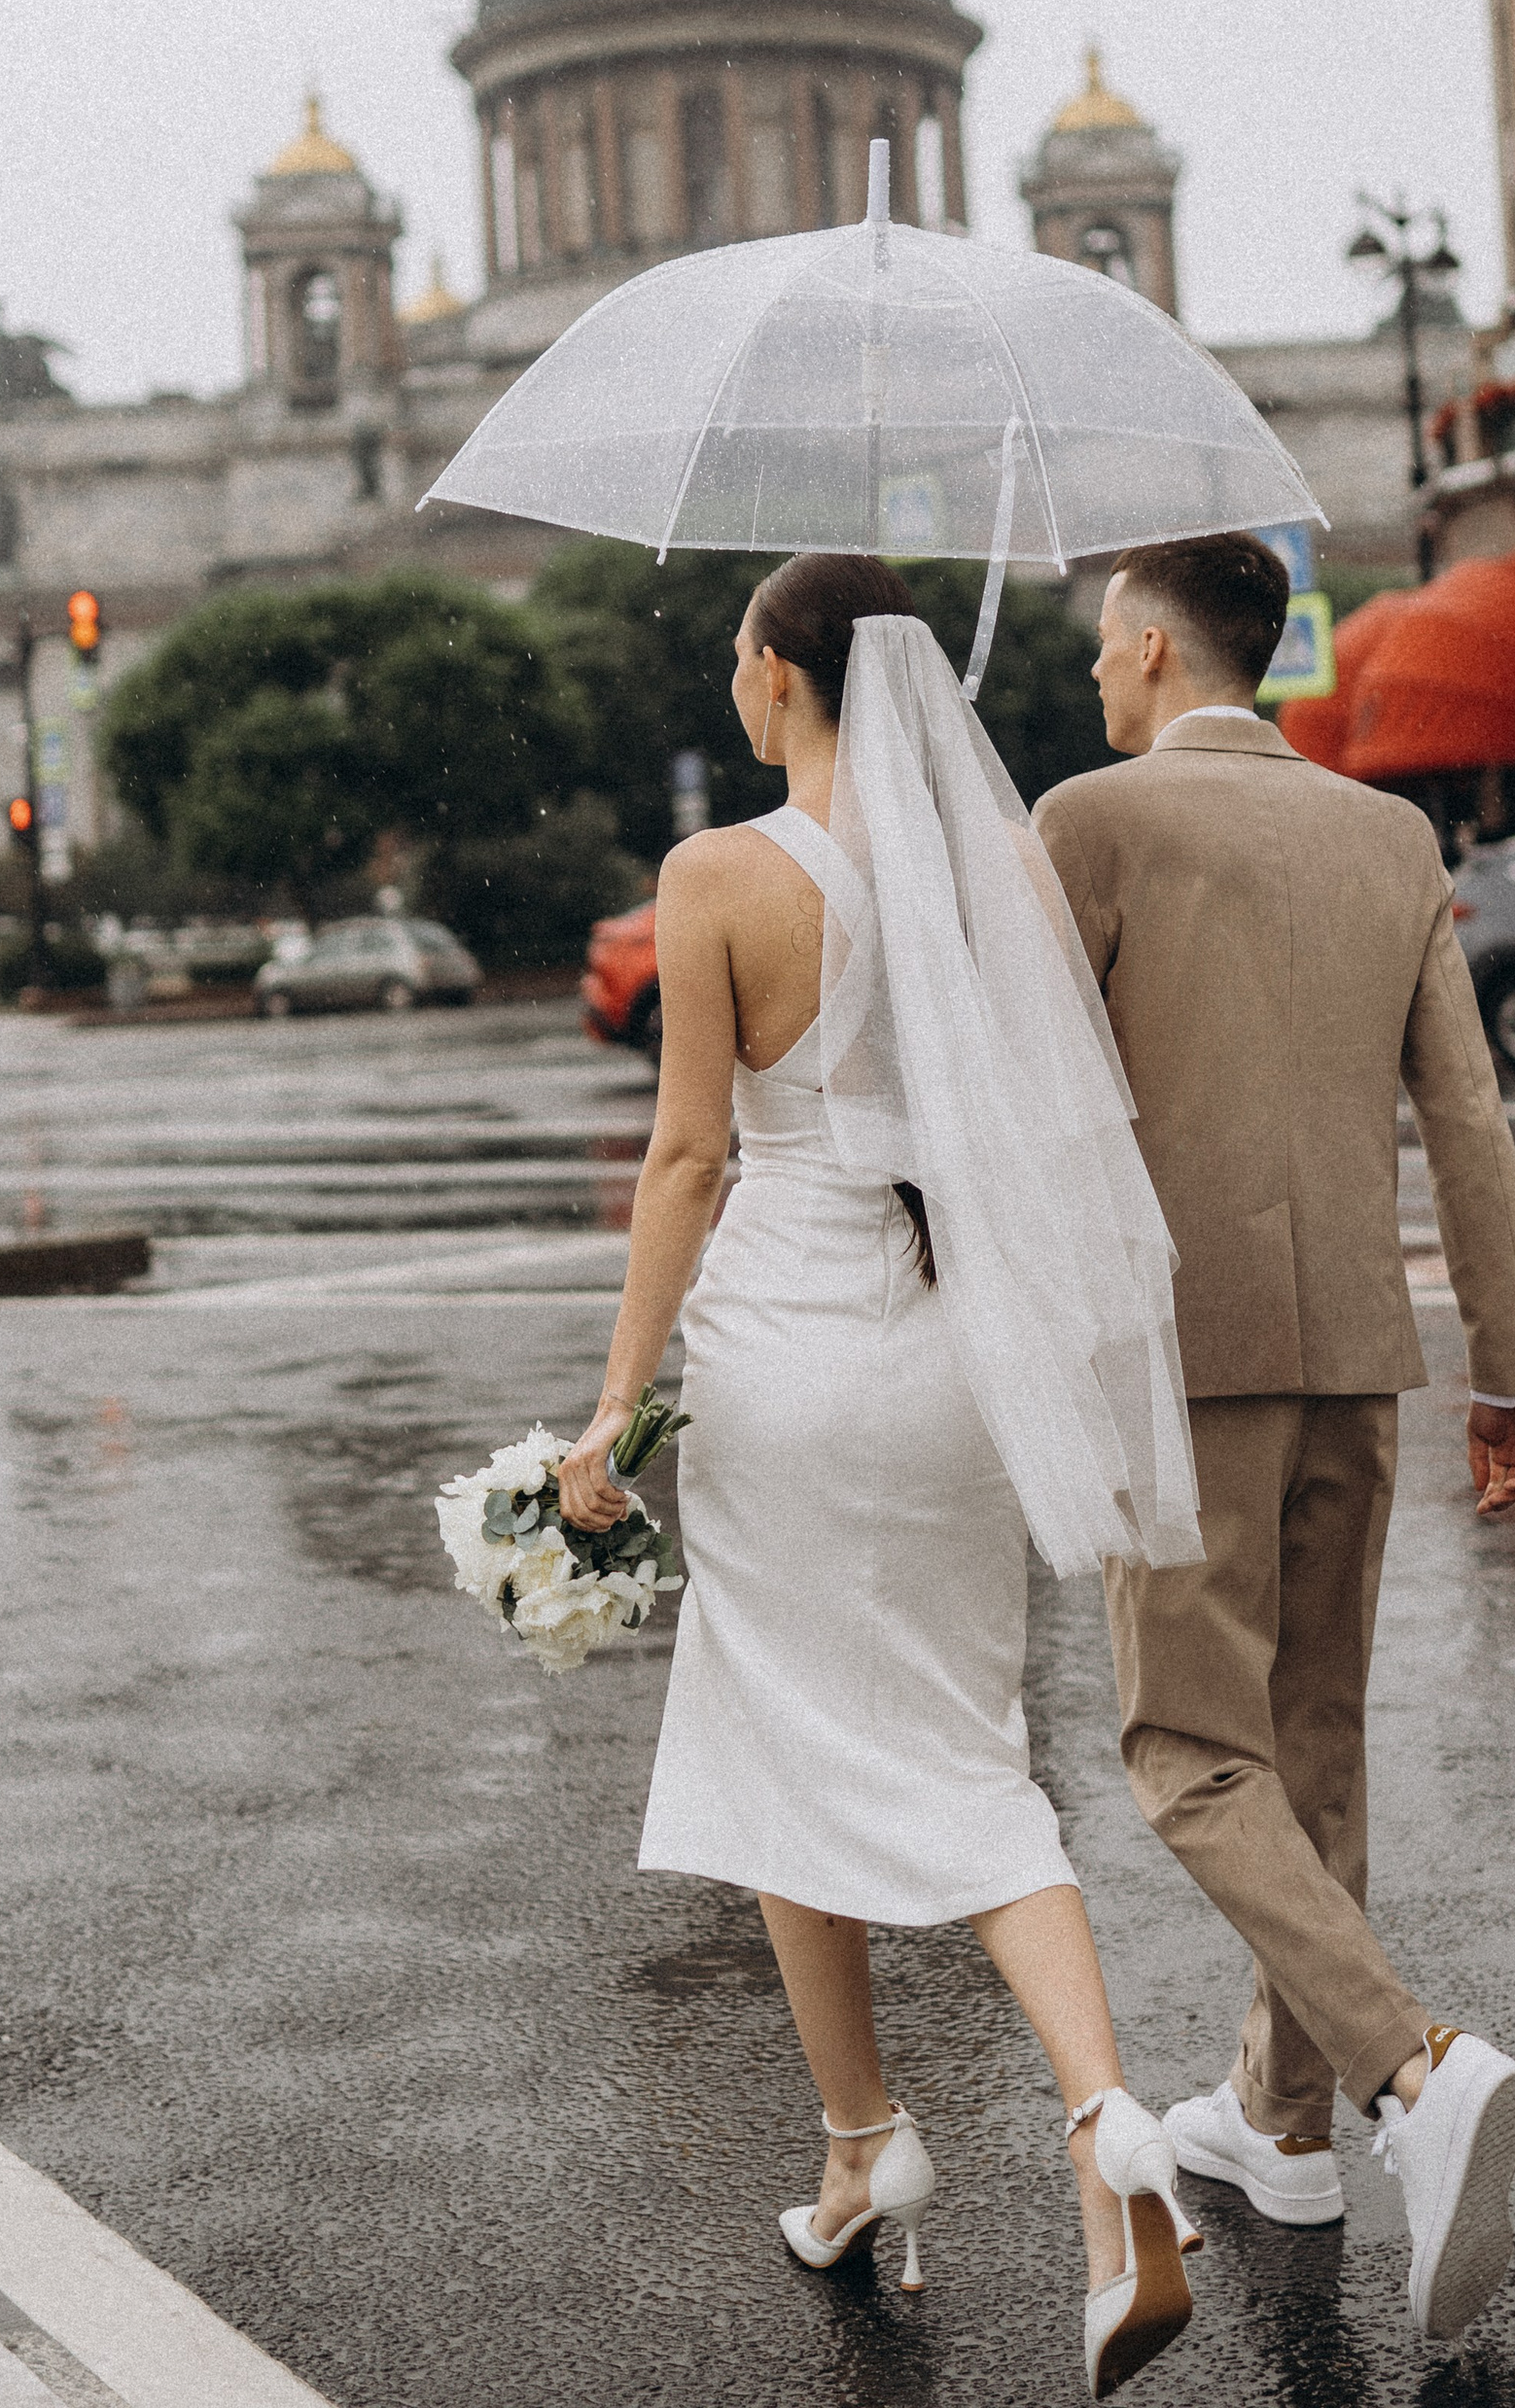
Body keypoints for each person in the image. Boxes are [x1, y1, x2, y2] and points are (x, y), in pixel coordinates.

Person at [555, 552, 1209, 2398]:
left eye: (738, 661)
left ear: (783, 674)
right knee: (964, 1743)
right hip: (951, 1354)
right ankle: (1079, 2130)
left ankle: (870, 2128)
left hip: (784, 1344)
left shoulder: (717, 876)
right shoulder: (991, 872)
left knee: (784, 1724)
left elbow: (688, 1156)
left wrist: (613, 1405)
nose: (732, 685)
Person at [1032, 534, 1515, 2347]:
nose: (1098, 678)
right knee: (1311, 1732)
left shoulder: (1092, 823)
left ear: (1160, 646)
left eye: (1108, 648)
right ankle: (1284, 2119)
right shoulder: (1391, 836)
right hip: (1357, 1347)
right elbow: (1468, 1123)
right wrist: (1511, 1362)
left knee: (1187, 1751)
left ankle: (1410, 2070)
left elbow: (1030, 1094)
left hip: (1179, 1352)